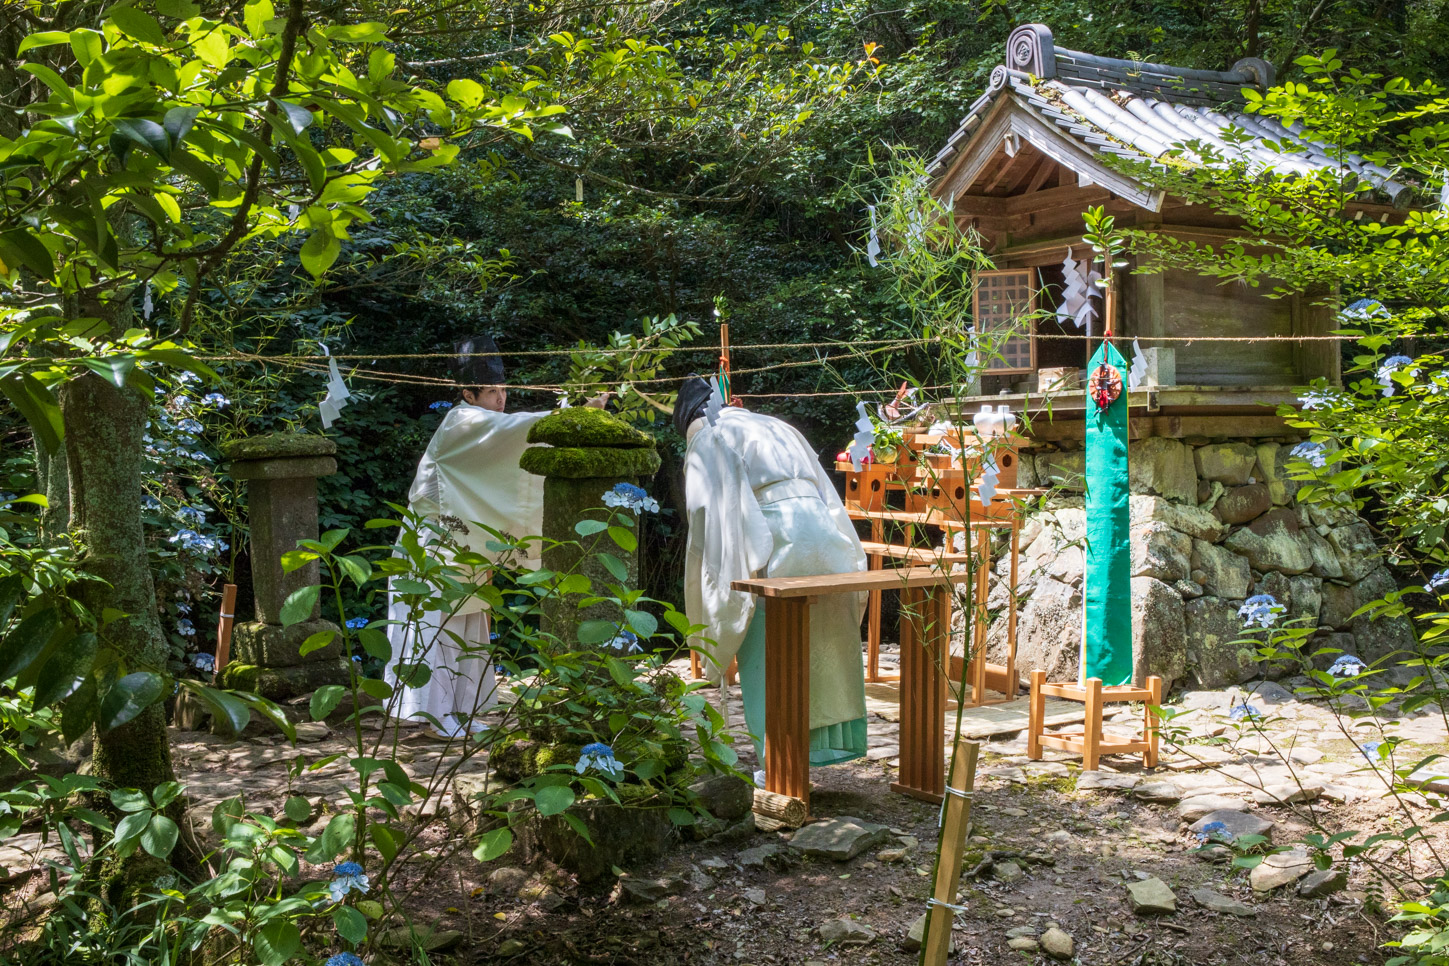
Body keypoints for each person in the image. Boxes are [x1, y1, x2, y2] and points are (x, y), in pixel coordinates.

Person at [384, 334, 605, 737]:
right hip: (430, 541)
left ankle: (461, 711)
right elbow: (514, 432)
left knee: (466, 626)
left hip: (458, 537)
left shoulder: (482, 422)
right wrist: (573, 416)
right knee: (435, 625)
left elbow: (508, 439)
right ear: (467, 393)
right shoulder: (461, 422)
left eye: (504, 390)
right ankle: (433, 716)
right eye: (491, 391)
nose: (502, 399)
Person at [677, 375, 869, 769]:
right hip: (826, 539)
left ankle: (781, 764)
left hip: (770, 543)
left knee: (767, 649)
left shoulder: (707, 434)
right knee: (825, 647)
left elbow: (710, 520)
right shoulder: (773, 425)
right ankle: (816, 752)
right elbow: (824, 493)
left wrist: (717, 599)